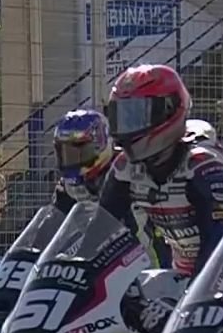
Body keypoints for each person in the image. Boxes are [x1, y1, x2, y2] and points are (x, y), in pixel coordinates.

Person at [97, 64, 223, 333]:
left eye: (136, 116)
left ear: (169, 111)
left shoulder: (203, 165)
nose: (128, 128)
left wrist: (183, 302)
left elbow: (218, 242)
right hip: (181, 276)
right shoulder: (126, 167)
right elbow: (102, 232)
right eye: (123, 116)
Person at [48, 108, 170, 268]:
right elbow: (53, 228)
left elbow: (126, 231)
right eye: (64, 152)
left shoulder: (127, 174)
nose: (69, 160)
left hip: (148, 267)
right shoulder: (69, 186)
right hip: (103, 267)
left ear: (100, 145)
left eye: (77, 152)